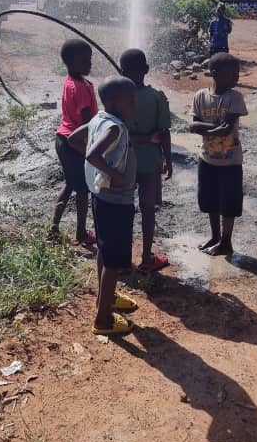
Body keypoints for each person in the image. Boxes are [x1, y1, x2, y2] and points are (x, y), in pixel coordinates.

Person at [69, 76, 138, 336]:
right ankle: (103, 319)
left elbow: (76, 139)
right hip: (116, 202)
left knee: (104, 251)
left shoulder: (98, 119)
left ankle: (105, 298)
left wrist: (96, 173)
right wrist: (113, 173)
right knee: (113, 261)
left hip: (101, 197)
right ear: (112, 102)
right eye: (129, 100)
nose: (134, 104)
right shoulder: (115, 128)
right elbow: (91, 154)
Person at [119, 48, 172, 273]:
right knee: (148, 209)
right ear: (147, 70)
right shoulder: (157, 97)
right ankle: (146, 259)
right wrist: (168, 159)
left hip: (124, 162)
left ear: (122, 72)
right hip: (150, 162)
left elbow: (115, 131)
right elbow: (165, 133)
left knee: (124, 209)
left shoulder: (118, 99)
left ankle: (122, 259)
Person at [190, 53, 248, 256]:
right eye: (231, 73)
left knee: (229, 204)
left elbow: (226, 127)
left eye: (237, 73)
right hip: (207, 159)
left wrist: (206, 129)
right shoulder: (200, 96)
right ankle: (215, 237)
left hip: (231, 162)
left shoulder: (235, 97)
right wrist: (213, 129)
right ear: (214, 74)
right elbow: (192, 126)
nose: (236, 77)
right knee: (210, 200)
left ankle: (226, 242)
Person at [49, 39, 98, 246]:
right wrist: (94, 148)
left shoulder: (70, 81)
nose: (89, 64)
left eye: (90, 60)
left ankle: (53, 227)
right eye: (84, 61)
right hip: (75, 142)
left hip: (62, 139)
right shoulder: (81, 88)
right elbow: (87, 122)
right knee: (83, 190)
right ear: (70, 63)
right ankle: (81, 233)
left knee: (70, 184)